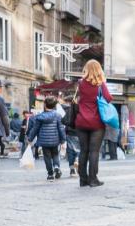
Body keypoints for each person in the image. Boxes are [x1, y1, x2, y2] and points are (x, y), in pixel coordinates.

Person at [74, 60, 112, 188]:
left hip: (81, 122)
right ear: (99, 70)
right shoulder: (101, 85)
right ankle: (93, 179)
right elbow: (109, 98)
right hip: (96, 123)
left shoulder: (80, 83)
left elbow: (76, 99)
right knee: (94, 152)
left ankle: (82, 179)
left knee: (83, 151)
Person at [26, 96, 67, 181]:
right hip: (55, 140)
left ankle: (50, 174)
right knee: (55, 154)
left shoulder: (39, 117)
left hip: (44, 141)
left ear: (45, 105)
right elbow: (61, 129)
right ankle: (56, 166)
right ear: (54, 106)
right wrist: (63, 141)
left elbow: (35, 129)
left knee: (47, 157)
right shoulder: (58, 116)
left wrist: (30, 139)